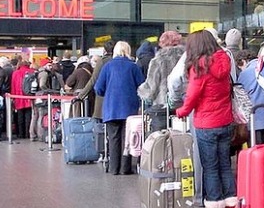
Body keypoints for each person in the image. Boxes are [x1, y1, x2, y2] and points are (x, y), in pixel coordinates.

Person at [175, 30, 235, 208]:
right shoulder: (224, 60)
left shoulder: (199, 66)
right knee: (225, 165)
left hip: (206, 124)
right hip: (225, 121)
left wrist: (181, 111)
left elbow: (192, 96)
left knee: (210, 167)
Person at [94, 41, 145, 175]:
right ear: (128, 51)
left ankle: (113, 168)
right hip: (129, 108)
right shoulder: (133, 67)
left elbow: (98, 88)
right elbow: (142, 86)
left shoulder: (107, 66)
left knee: (113, 138)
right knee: (127, 138)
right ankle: (125, 168)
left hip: (111, 107)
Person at [236, 49, 264, 145]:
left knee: (257, 154)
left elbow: (242, 98)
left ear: (243, 61)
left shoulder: (244, 74)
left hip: (255, 121)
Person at [138, 30, 184, 106]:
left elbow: (151, 85)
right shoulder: (186, 58)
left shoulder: (158, 60)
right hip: (184, 103)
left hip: (163, 105)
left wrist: (143, 92)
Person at [77, 40, 116, 121]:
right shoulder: (121, 62)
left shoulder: (102, 61)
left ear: (104, 50)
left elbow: (93, 80)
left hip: (102, 100)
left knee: (99, 128)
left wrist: (81, 95)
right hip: (117, 102)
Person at [10, 60, 33, 139]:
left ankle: (20, 133)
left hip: (18, 97)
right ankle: (28, 133)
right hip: (29, 97)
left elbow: (13, 86)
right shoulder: (31, 72)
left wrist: (13, 97)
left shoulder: (15, 73)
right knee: (28, 116)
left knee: (20, 116)